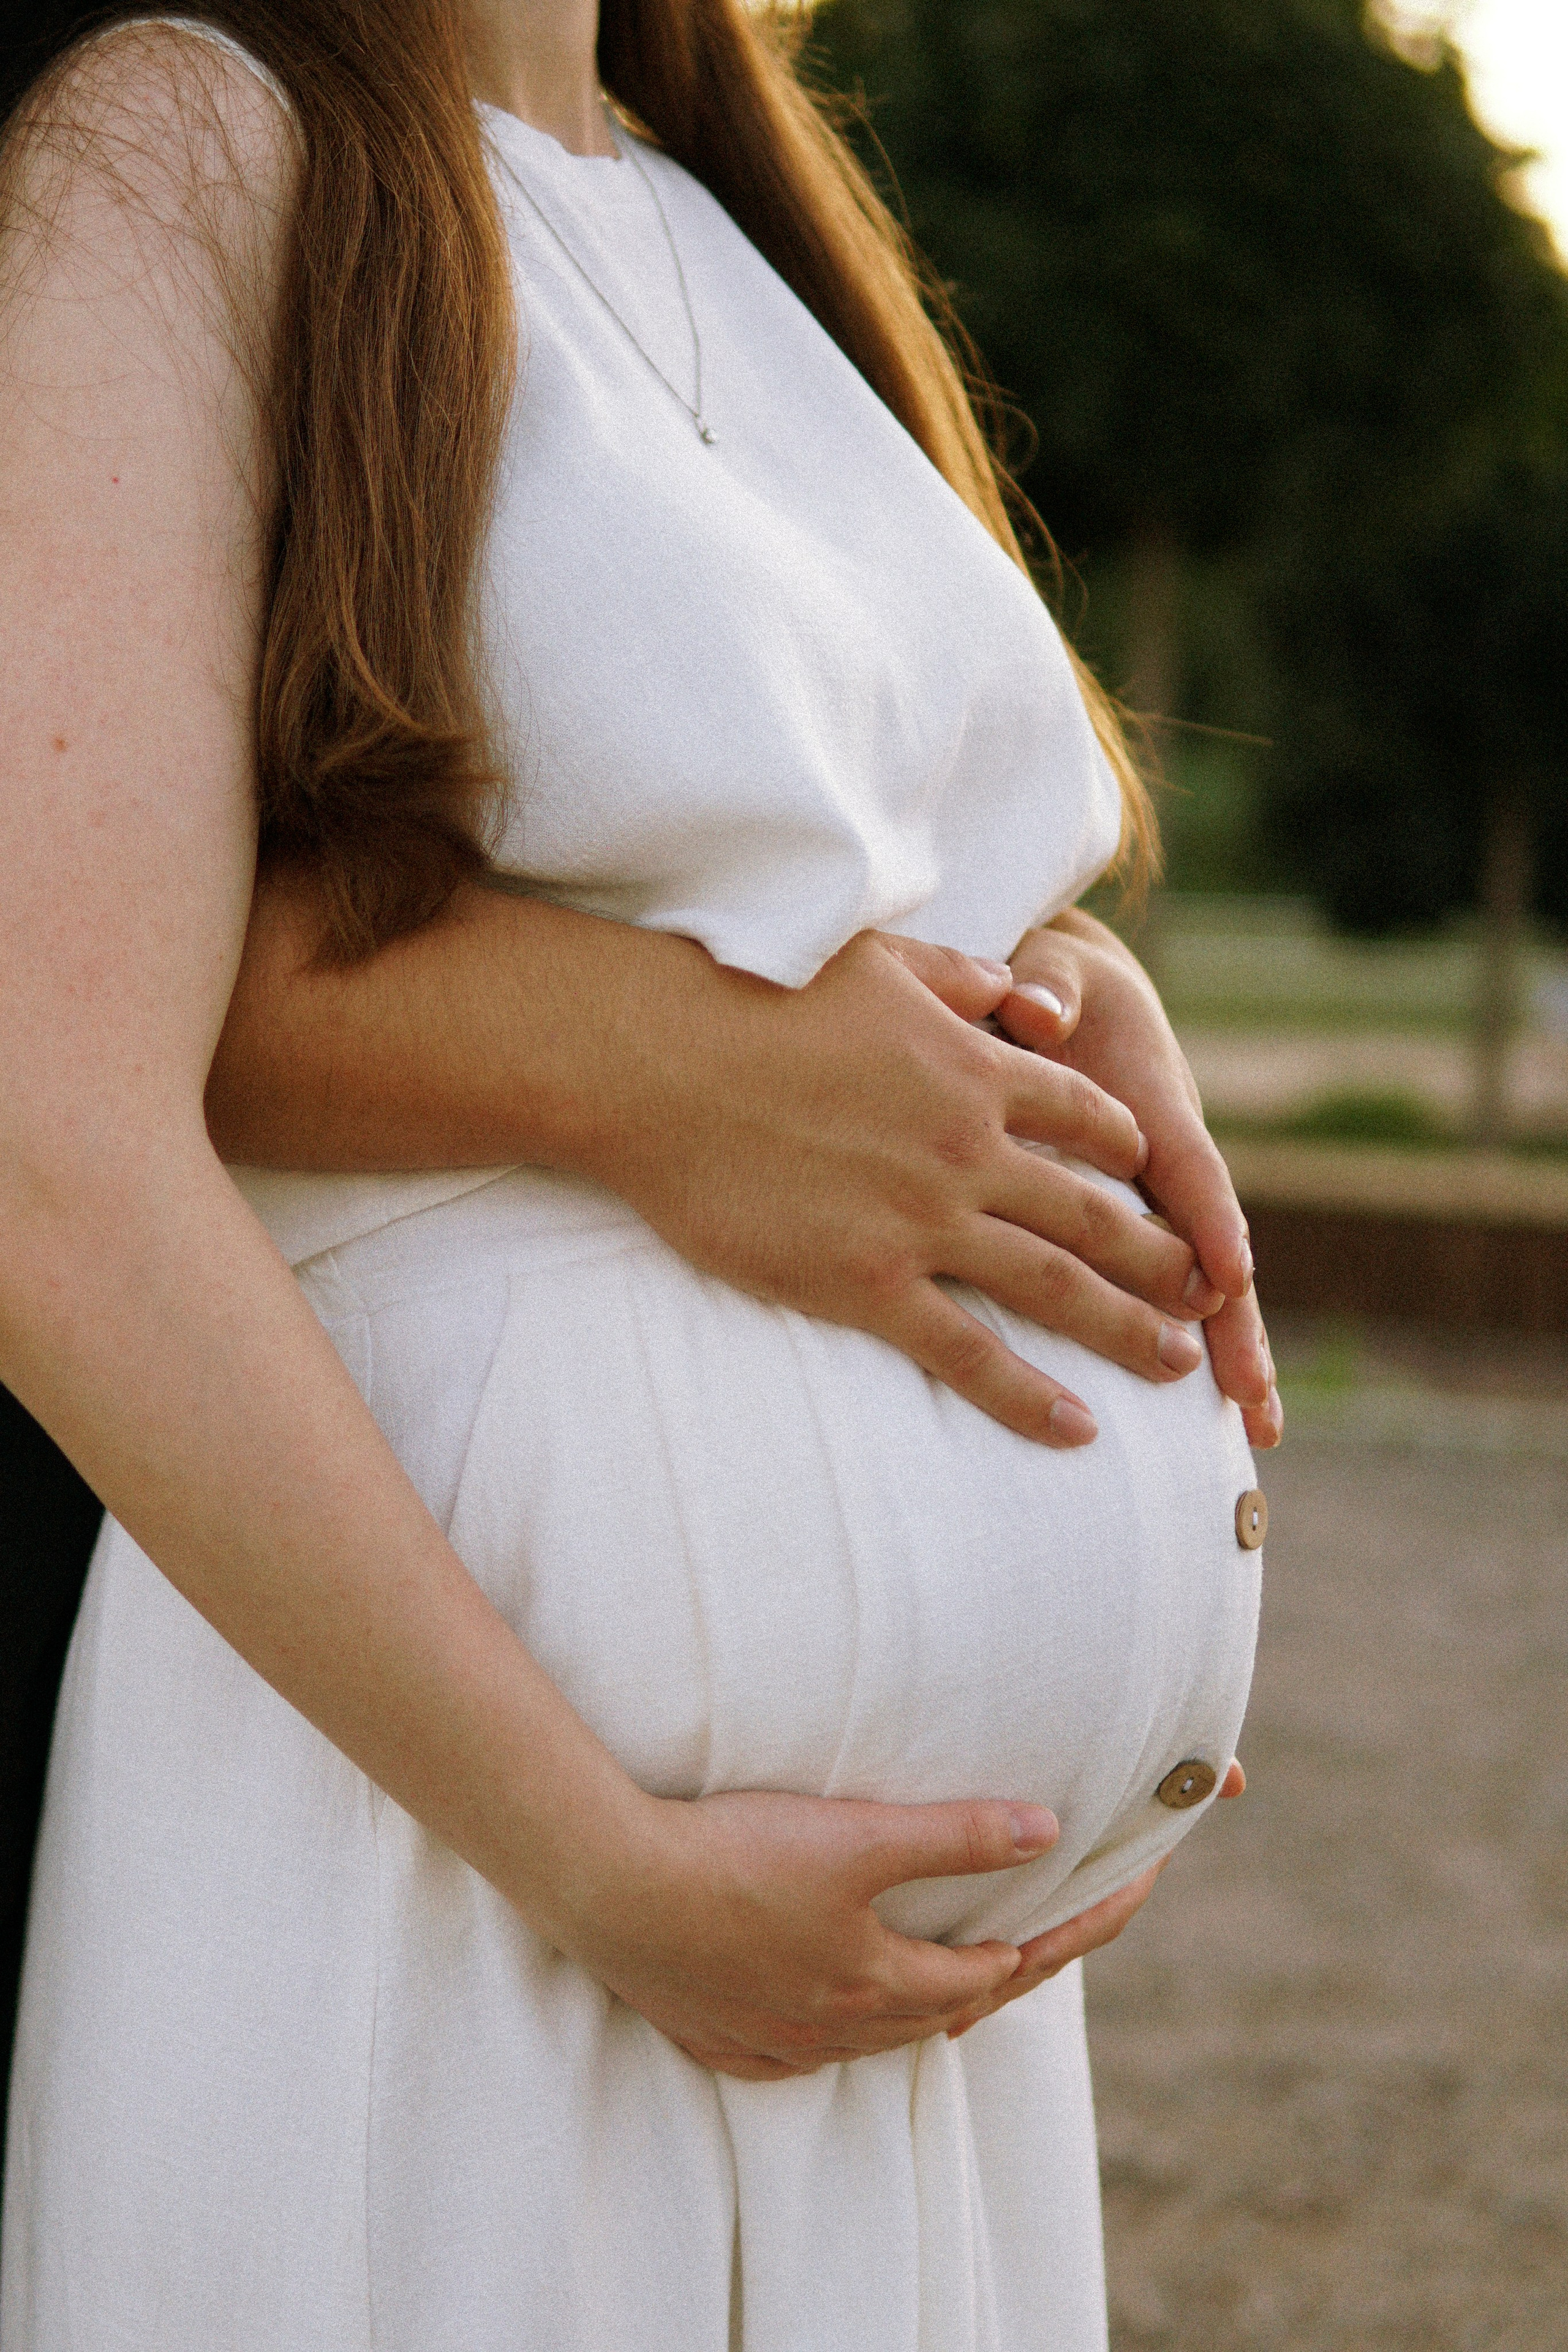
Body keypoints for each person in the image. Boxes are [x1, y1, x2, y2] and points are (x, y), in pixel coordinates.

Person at [0, 0, 1278, 2340]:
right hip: (462, 1907)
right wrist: (599, 1865)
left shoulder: (732, 209)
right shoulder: (186, 137)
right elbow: (42, 1143)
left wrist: (1067, 987)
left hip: (886, 2044)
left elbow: (817, 842)